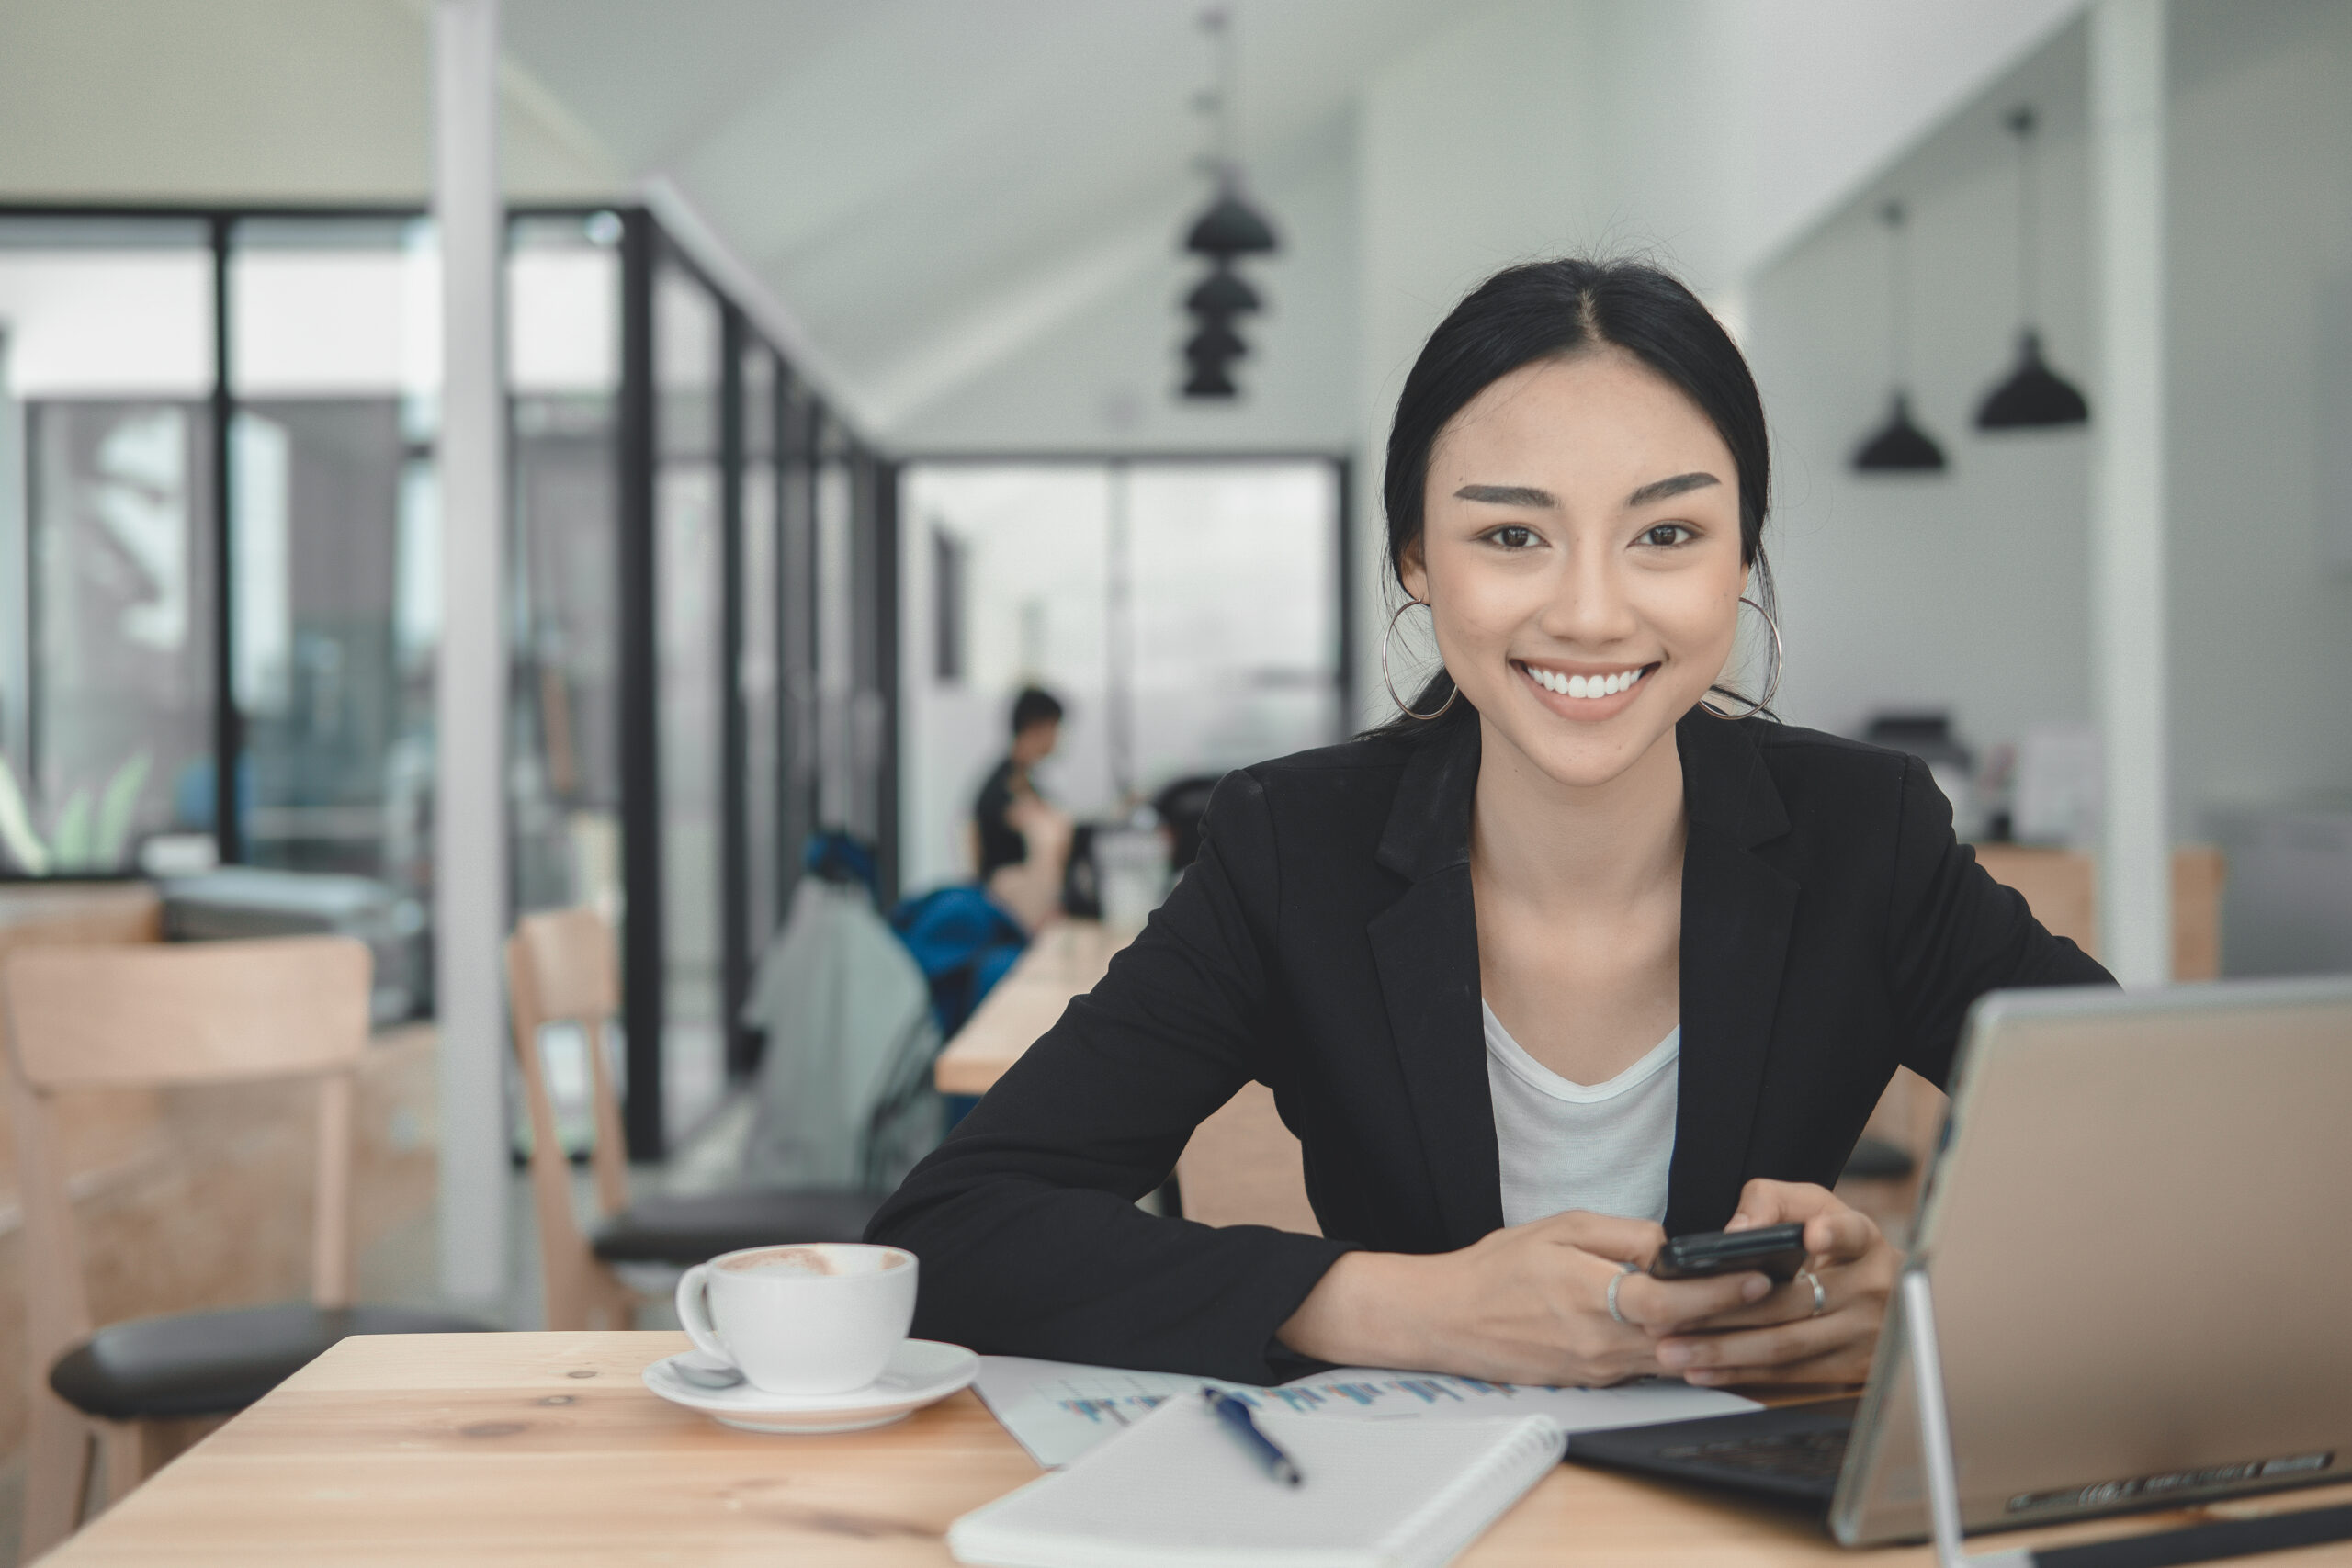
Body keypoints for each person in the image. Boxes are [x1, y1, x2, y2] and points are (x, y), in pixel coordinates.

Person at [870, 259, 2110, 1390]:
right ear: (1418, 556)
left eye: (1666, 533)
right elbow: (955, 1231)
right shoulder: (1293, 848)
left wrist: (1917, 1303)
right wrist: (1410, 1305)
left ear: (1741, 556)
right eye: (1511, 534)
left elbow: (2176, 1157)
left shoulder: (1867, 836)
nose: (1588, 610)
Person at [973, 686, 1071, 931]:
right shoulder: (1004, 785)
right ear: (1036, 728)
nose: (1057, 738)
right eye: (1055, 729)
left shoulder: (1024, 780)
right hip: (1006, 895)